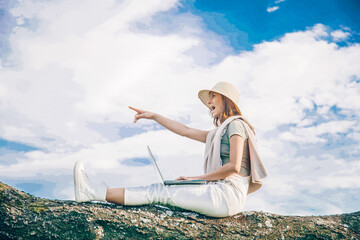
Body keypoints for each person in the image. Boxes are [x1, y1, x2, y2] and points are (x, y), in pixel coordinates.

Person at [73, 81, 267, 218]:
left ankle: (93, 193)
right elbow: (185, 130)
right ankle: (97, 191)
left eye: (213, 96)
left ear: (226, 99)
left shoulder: (236, 125)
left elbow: (233, 166)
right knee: (162, 189)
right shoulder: (219, 133)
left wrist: (195, 179)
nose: (208, 102)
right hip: (220, 191)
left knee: (160, 192)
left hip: (228, 195)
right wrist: (155, 116)